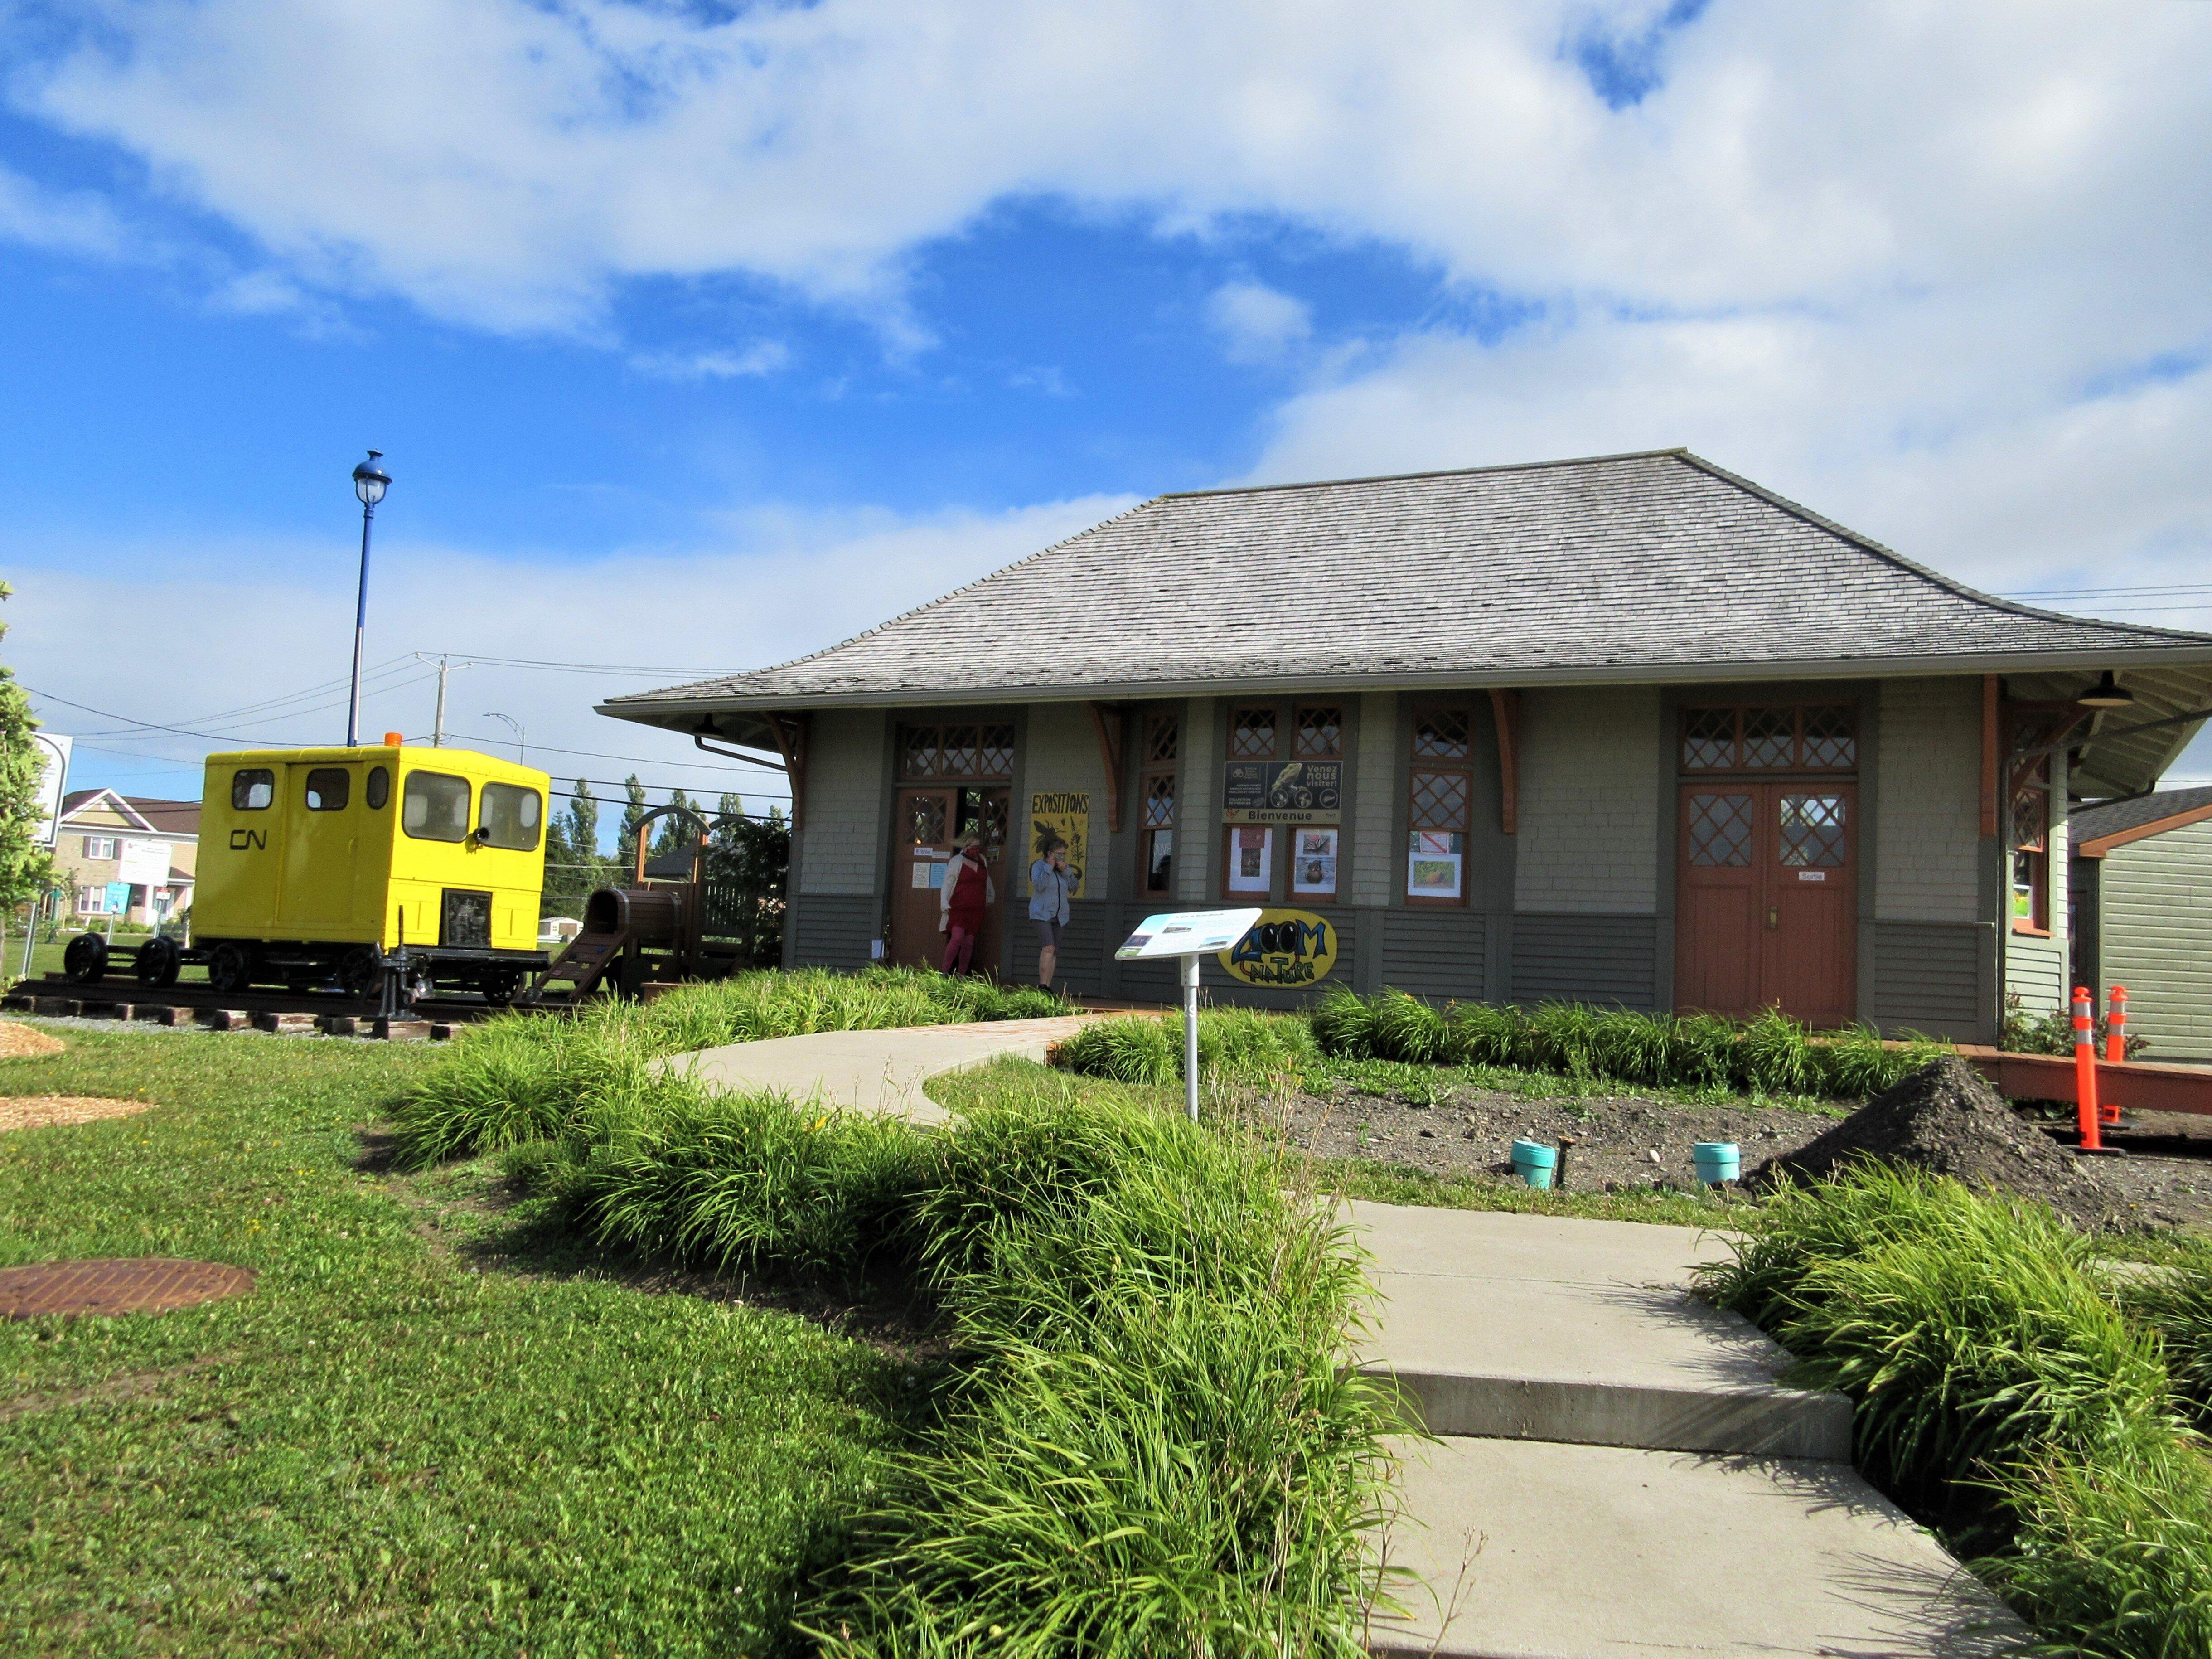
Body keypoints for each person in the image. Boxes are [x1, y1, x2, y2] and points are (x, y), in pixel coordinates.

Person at [937, 837, 994, 975]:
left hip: (976, 909)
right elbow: (948, 883)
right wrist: (944, 902)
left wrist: (991, 896)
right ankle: (945, 971)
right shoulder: (957, 861)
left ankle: (962, 974)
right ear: (965, 846)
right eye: (973, 847)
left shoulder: (982, 860)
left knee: (969, 942)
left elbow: (987, 881)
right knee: (957, 937)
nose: (976, 850)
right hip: (959, 907)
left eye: (978, 847)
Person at [1028, 835, 1078, 991]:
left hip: (1060, 915)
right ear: (1050, 854)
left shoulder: (1062, 870)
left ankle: (1048, 986)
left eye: (1063, 854)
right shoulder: (1039, 866)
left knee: (1054, 951)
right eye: (1058, 854)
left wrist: (1067, 871)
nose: (1061, 857)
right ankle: (1042, 985)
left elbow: (1074, 888)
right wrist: (1049, 868)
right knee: (1048, 947)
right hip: (1042, 913)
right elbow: (1039, 886)